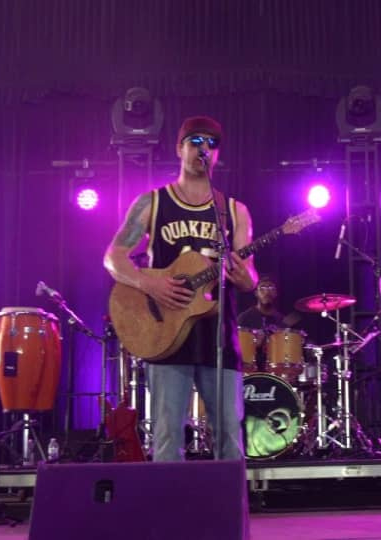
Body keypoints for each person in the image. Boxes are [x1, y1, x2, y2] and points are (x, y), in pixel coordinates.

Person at [104, 115, 258, 463]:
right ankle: (168, 500)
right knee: (168, 437)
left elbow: (250, 279)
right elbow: (113, 256)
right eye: (195, 141)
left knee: (230, 437)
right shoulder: (152, 203)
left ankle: (227, 500)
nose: (203, 149)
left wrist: (241, 275)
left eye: (211, 144)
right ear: (179, 148)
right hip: (165, 334)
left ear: (218, 154)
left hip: (218, 335)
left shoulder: (234, 211)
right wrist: (149, 282)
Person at [237, 275, 284, 372]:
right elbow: (235, 347)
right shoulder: (244, 318)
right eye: (262, 288)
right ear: (256, 293)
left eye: (271, 288)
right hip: (249, 371)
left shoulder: (281, 319)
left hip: (275, 371)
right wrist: (254, 343)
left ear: (276, 293)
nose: (267, 292)